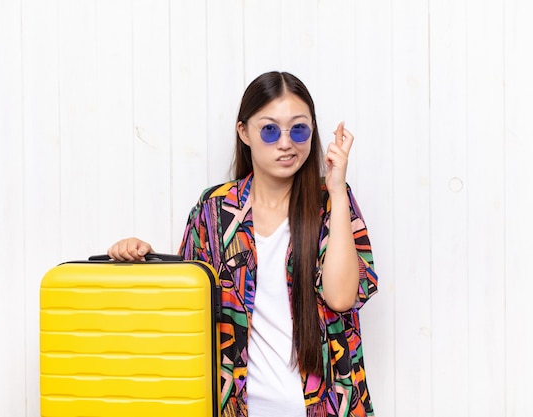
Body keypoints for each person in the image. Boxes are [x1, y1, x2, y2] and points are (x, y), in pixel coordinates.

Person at [108, 71, 378, 417]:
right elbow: (186, 306)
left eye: (299, 129)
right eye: (269, 129)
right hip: (235, 407)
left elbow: (341, 298)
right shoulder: (216, 211)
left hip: (324, 406)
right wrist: (139, 258)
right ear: (244, 132)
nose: (286, 143)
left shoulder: (332, 202)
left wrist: (338, 190)